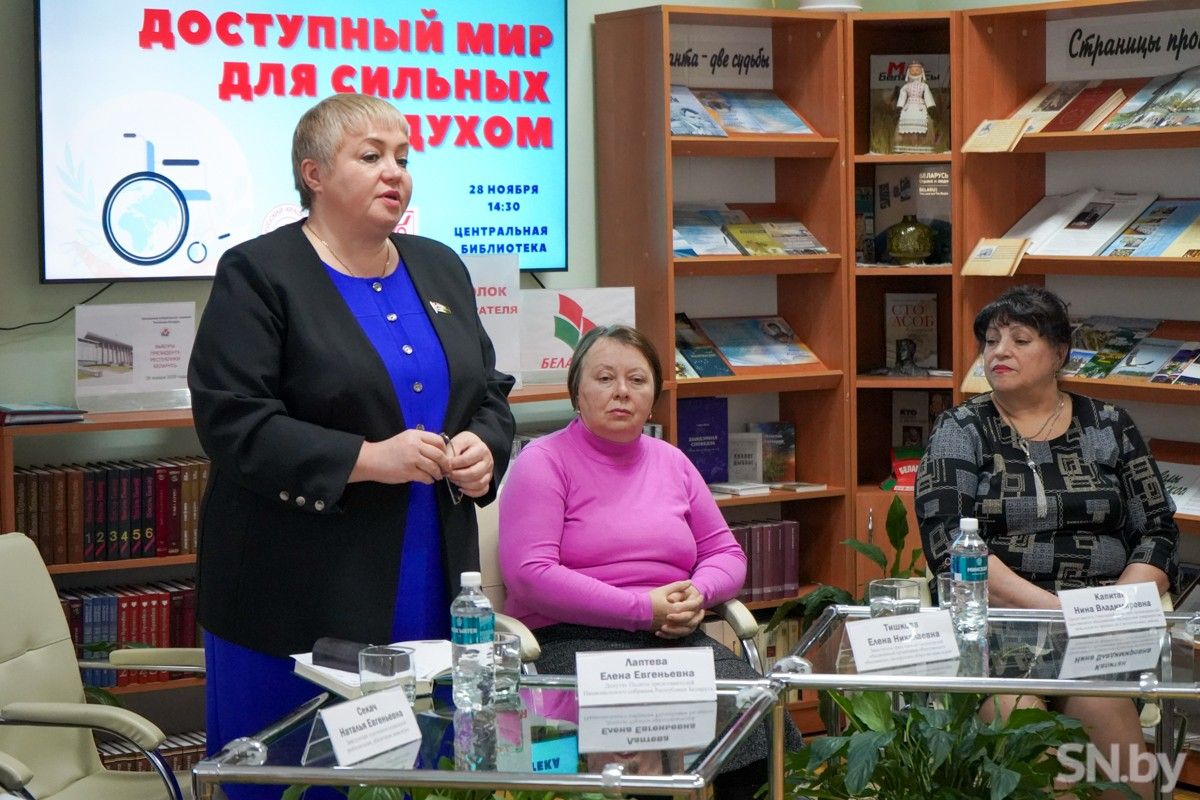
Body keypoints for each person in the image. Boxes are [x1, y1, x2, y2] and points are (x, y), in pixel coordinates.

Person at [188, 93, 515, 798]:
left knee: (416, 773)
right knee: (297, 782)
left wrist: (484, 447)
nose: (395, 172)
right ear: (313, 174)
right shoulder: (259, 272)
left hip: (428, 580)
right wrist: (367, 460)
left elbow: (488, 391)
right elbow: (232, 421)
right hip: (292, 593)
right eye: (371, 156)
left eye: (403, 157)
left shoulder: (440, 266)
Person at [498, 324, 802, 800]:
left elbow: (726, 554)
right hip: (572, 640)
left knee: (759, 715)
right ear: (576, 391)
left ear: (654, 398)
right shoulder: (542, 462)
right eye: (605, 378)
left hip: (674, 638)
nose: (621, 391)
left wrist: (696, 594)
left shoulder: (673, 462)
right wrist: (642, 609)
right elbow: (530, 575)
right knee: (643, 733)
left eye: (637, 380)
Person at [915, 285, 1178, 800]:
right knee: (1018, 722)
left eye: (1019, 339)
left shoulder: (1109, 424)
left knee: (1106, 716)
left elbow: (1158, 531)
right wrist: (1059, 613)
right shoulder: (961, 428)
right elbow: (947, 543)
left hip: (1099, 630)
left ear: (1059, 353)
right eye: (991, 341)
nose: (1000, 352)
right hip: (998, 626)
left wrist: (1110, 608)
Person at [894, 60, 936, 152]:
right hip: (908, 108)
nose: (915, 72)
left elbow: (928, 96)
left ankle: (921, 143)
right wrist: (899, 107)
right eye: (912, 70)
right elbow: (902, 97)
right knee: (905, 124)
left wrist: (931, 107)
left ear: (921, 71)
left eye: (917, 70)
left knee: (923, 123)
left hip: (920, 107)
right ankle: (907, 143)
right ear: (909, 71)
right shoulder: (906, 87)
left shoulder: (924, 86)